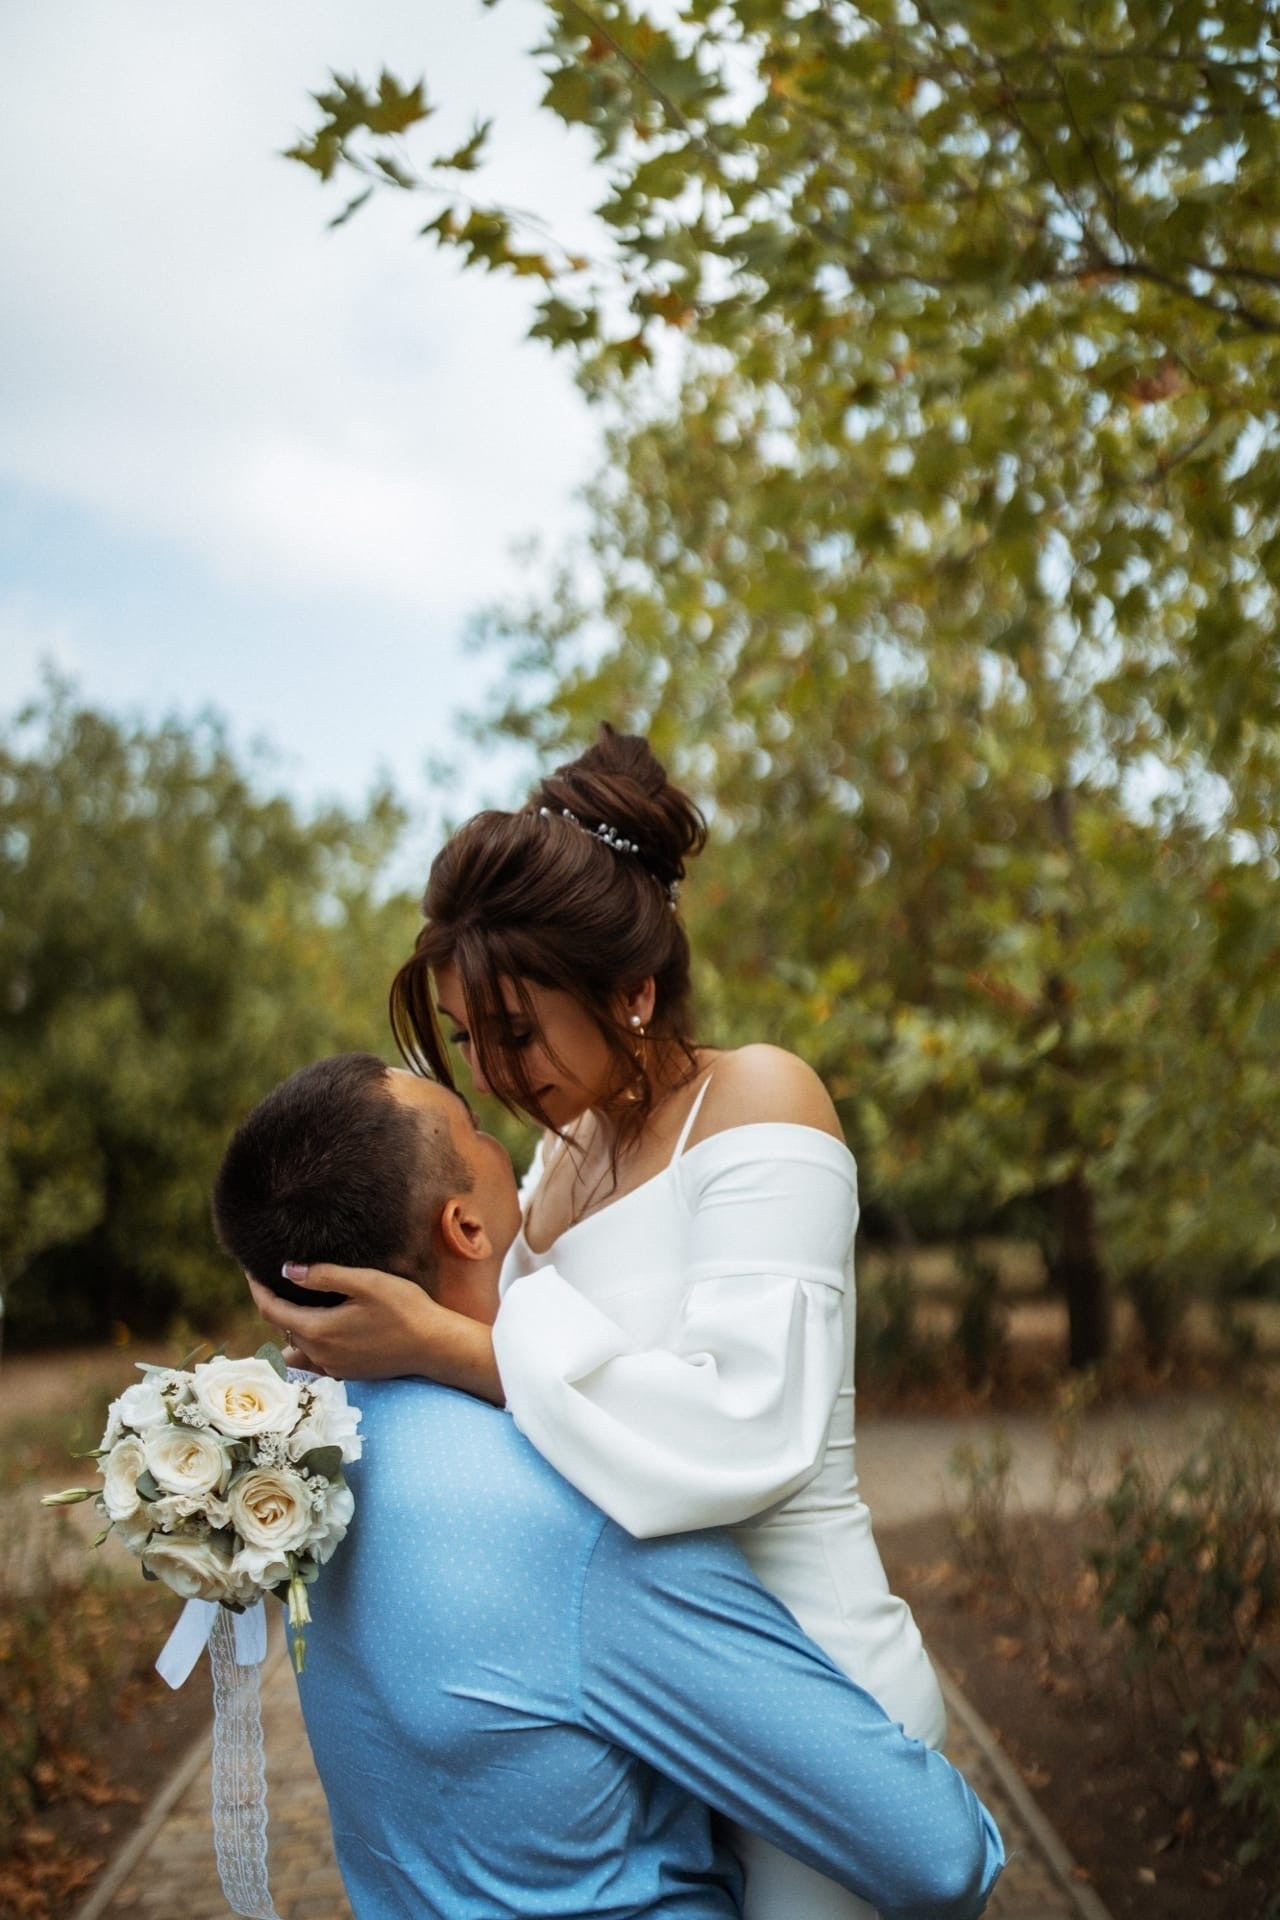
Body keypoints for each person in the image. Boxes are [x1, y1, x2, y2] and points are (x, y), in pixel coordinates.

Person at [248, 726, 946, 1920]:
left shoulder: (758, 1099)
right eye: (466, 1039)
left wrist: (444, 1347)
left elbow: (745, 1427)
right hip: (644, 1707)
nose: (490, 1075)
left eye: (515, 1033)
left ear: (632, 993)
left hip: (803, 1695)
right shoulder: (561, 1152)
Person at [216, 1053, 1004, 1920]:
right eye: (474, 1129)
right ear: (465, 1228)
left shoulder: (296, 1475)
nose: (500, 1118)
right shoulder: (576, 1514)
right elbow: (940, 1856)